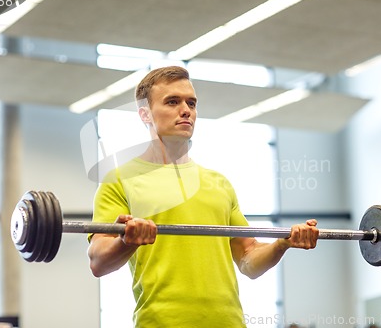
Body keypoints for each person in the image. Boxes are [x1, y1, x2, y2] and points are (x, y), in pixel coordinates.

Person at [87, 65, 319, 327]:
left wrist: (282, 244)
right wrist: (127, 241)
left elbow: (248, 260)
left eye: (191, 103)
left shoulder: (218, 183)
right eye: (172, 102)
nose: (186, 110)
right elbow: (98, 261)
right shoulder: (118, 179)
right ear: (145, 114)